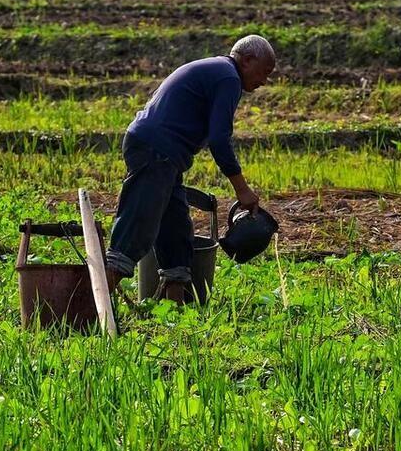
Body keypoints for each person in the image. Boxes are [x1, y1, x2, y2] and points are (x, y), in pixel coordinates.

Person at [103, 34, 276, 304]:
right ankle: (85, 307)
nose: (264, 81)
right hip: (156, 150)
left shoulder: (217, 71)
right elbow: (219, 139)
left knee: (175, 228)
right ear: (247, 60)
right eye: (264, 72)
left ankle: (176, 307)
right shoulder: (229, 78)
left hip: (163, 154)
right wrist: (242, 189)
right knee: (138, 226)